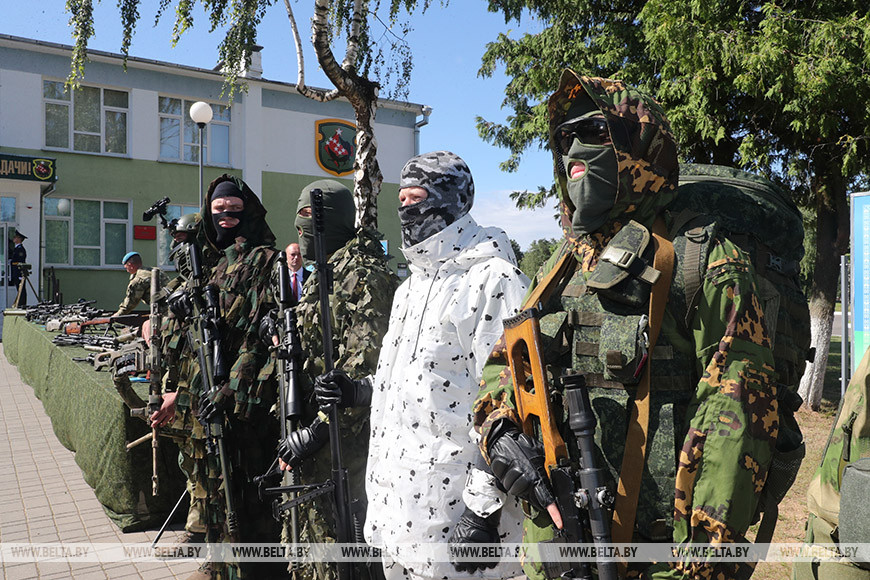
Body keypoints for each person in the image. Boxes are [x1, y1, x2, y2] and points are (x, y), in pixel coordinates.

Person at [472, 72, 779, 580]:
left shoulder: (699, 260)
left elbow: (739, 408)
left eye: (591, 131)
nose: (572, 147)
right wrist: (499, 427)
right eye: (564, 137)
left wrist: (704, 560)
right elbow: (507, 365)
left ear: (638, 147)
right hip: (558, 552)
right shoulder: (564, 264)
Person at [316, 151, 531, 580]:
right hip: (401, 510)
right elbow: (418, 379)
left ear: (450, 200)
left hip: (458, 521)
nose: (405, 211)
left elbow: (513, 402)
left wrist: (483, 511)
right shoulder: (410, 287)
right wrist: (360, 390)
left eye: (417, 198)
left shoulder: (491, 279)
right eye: (401, 201)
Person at [273, 179, 399, 580]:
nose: (301, 230)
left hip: (351, 448)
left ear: (333, 221)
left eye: (310, 219)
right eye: (298, 222)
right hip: (320, 445)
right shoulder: (320, 274)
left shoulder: (363, 276)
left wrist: (316, 433)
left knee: (350, 554)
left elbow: (362, 378)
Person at [188, 174, 282, 580]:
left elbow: (261, 333)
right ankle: (221, 567)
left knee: (250, 494)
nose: (226, 216)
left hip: (247, 403)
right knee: (215, 493)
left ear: (249, 211)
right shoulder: (213, 265)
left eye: (234, 209)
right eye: (218, 210)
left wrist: (230, 388)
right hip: (211, 395)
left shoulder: (265, 259)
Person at [113, 251, 166, 316]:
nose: (126, 269)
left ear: (130, 265)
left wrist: (115, 316)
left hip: (163, 312)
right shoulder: (157, 271)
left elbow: (130, 304)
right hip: (175, 305)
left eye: (126, 267)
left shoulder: (138, 280)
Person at [9, 229, 28, 306]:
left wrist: (20, 274)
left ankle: (22, 304)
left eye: (15, 237)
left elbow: (20, 261)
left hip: (19, 272)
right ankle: (19, 304)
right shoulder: (17, 248)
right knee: (18, 289)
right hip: (16, 271)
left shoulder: (20, 249)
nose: (14, 238)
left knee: (21, 289)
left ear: (19, 239)